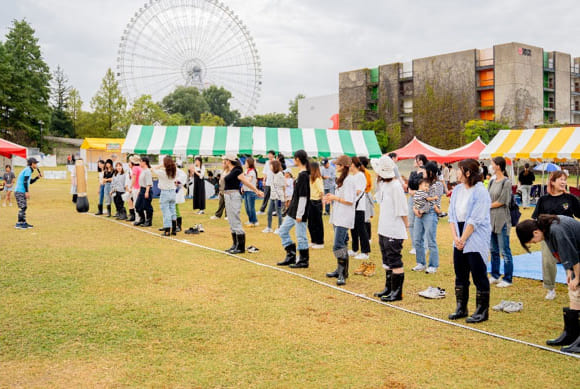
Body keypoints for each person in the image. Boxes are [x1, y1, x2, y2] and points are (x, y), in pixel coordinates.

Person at [516, 215, 580, 353]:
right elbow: (564, 255)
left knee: (578, 289)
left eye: (532, 241)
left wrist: (577, 277)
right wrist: (569, 272)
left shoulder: (557, 230)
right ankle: (571, 334)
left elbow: (573, 254)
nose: (534, 243)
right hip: (576, 259)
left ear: (536, 232)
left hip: (578, 258)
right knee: (574, 294)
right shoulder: (548, 232)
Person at [448, 158, 492, 323]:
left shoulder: (480, 191)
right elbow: (451, 214)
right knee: (460, 273)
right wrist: (456, 239)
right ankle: (461, 307)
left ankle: (482, 310)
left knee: (478, 273)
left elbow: (475, 219)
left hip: (474, 236)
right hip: (459, 234)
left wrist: (464, 239)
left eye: (460, 169)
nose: (457, 173)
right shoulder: (458, 189)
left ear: (468, 172)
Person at [532, 171, 580, 300]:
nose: (564, 182)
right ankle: (550, 288)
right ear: (552, 182)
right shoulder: (543, 200)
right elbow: (535, 218)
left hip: (567, 236)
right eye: (561, 179)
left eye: (565, 179)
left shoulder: (570, 198)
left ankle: (575, 284)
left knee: (571, 259)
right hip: (548, 236)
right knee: (548, 261)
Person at [372, 155, 409, 302]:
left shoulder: (396, 186)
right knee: (386, 259)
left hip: (394, 228)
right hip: (384, 227)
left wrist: (407, 227)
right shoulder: (384, 185)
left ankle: (397, 292)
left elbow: (403, 209)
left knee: (394, 260)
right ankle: (389, 287)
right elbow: (378, 199)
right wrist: (377, 181)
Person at [324, 155, 356, 286]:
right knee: (342, 243)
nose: (335, 166)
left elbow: (349, 200)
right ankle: (341, 270)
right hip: (338, 215)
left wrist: (334, 198)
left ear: (343, 166)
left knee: (338, 244)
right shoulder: (342, 179)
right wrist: (332, 197)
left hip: (344, 216)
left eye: (337, 164)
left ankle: (342, 273)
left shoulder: (349, 180)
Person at [222, 154, 264, 254]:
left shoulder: (237, 170)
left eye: (225, 161)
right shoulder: (230, 171)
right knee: (231, 220)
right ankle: (235, 244)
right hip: (227, 195)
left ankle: (240, 246)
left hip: (234, 195)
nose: (223, 163)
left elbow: (245, 182)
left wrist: (256, 190)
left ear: (228, 161)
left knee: (235, 219)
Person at [276, 150, 311, 268]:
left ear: (297, 159)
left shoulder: (304, 175)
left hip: (300, 211)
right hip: (293, 210)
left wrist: (300, 214)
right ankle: (291, 255)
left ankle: (303, 260)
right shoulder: (301, 174)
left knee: (301, 235)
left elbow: (303, 196)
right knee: (283, 231)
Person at [488, 156, 514, 288]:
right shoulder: (492, 182)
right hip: (491, 219)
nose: (490, 166)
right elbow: (488, 197)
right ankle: (495, 274)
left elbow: (502, 201)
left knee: (505, 250)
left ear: (498, 166)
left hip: (502, 219)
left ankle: (508, 278)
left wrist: (487, 205)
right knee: (493, 250)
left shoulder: (506, 182)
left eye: (492, 164)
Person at [413, 161, 443, 274]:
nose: (422, 172)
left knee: (431, 240)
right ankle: (420, 263)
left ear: (430, 172)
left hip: (430, 213)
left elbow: (433, 201)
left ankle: (433, 265)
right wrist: (415, 209)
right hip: (419, 213)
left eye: (424, 170)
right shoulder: (423, 182)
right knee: (417, 239)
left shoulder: (437, 185)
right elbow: (418, 197)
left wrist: (420, 210)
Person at [349, 157, 372, 273]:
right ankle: (354, 249)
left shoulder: (360, 176)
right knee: (353, 228)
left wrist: (348, 194)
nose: (350, 166)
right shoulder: (353, 176)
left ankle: (365, 251)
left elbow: (358, 191)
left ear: (355, 165)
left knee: (361, 228)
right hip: (352, 206)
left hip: (359, 206)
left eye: (351, 164)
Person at [407, 154, 428, 255]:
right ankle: (414, 245)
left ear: (420, 161)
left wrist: (416, 192)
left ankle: (424, 245)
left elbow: (426, 185)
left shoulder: (426, 173)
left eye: (416, 160)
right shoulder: (412, 173)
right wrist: (410, 190)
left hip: (421, 198)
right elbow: (409, 185)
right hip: (411, 198)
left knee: (420, 221)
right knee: (411, 223)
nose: (414, 162)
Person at [153, 156, 177, 236]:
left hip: (165, 192)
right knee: (172, 210)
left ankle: (167, 230)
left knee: (166, 211)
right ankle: (174, 229)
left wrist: (160, 165)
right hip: (173, 191)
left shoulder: (162, 172)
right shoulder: (174, 171)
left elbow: (152, 169)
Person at [14, 158, 42, 229]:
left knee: (24, 206)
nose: (36, 165)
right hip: (20, 191)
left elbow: (30, 182)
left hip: (21, 191)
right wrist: (27, 192)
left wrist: (37, 177)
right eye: (35, 163)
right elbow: (25, 182)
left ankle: (23, 222)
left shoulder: (29, 170)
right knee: (23, 207)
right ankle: (19, 223)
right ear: (32, 164)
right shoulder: (28, 170)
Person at [263, 160, 285, 234]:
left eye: (271, 165)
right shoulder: (272, 174)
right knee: (269, 212)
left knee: (279, 212)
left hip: (278, 197)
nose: (270, 167)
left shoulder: (280, 174)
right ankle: (269, 227)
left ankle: (280, 227)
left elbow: (282, 186)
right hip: (272, 197)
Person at [307, 161, 325, 249]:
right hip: (310, 202)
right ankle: (313, 240)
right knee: (311, 223)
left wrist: (323, 204)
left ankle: (320, 242)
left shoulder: (318, 179)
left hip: (316, 202)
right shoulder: (311, 178)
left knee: (318, 223)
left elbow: (322, 192)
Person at [134, 157, 153, 227]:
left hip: (146, 189)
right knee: (137, 206)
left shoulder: (147, 171)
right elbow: (141, 182)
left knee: (147, 206)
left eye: (141, 161)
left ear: (144, 162)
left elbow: (149, 183)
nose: (140, 163)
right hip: (142, 189)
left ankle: (149, 221)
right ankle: (142, 219)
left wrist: (147, 192)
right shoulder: (143, 170)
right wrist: (139, 190)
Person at [258, 150, 276, 214]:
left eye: (270, 154)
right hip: (268, 182)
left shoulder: (276, 162)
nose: (269, 155)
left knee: (273, 196)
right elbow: (265, 172)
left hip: (274, 182)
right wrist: (264, 180)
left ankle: (274, 210)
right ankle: (262, 210)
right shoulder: (267, 162)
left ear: (273, 155)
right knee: (266, 196)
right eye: (268, 154)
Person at [242, 157, 259, 227]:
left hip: (251, 191)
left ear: (249, 163)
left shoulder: (252, 171)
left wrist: (243, 180)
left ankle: (254, 221)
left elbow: (248, 180)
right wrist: (242, 187)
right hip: (246, 191)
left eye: (246, 162)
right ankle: (250, 220)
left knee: (251, 207)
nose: (245, 164)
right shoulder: (246, 170)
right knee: (247, 207)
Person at [127, 156, 142, 222]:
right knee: (140, 204)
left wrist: (130, 187)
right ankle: (141, 218)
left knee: (136, 204)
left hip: (136, 188)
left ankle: (137, 219)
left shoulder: (135, 168)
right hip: (140, 187)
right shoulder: (140, 168)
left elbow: (134, 179)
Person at [174, 166, 188, 232]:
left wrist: (177, 181)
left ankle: (179, 225)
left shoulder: (178, 170)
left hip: (176, 191)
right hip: (170, 191)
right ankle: (169, 225)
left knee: (175, 208)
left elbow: (183, 176)